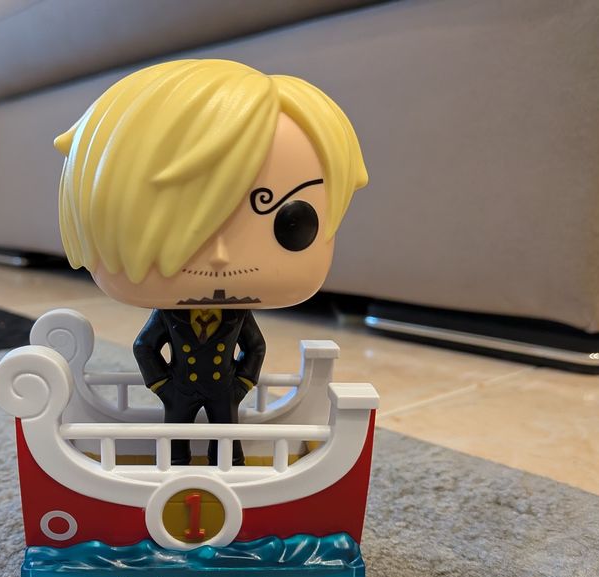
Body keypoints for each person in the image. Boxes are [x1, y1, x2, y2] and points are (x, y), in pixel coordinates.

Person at [53, 59, 367, 466]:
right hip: (180, 390)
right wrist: (162, 385)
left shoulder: (235, 315)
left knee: (228, 437)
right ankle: (175, 469)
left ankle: (231, 468)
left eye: (290, 223)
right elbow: (145, 345)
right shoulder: (169, 315)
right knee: (175, 438)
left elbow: (254, 346)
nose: (219, 257)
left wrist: (243, 383)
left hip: (224, 390)